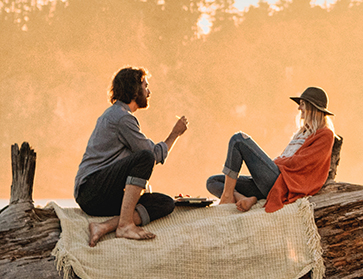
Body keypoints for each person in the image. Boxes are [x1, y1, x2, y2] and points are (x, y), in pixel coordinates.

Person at [74, 66, 189, 245]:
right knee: (145, 157)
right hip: (91, 190)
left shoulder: (120, 115)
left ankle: (104, 227)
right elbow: (152, 155)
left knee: (165, 203)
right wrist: (174, 134)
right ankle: (126, 225)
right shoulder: (121, 117)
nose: (149, 92)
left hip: (105, 193)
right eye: (145, 86)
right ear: (135, 91)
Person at [207, 86, 336, 214]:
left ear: (312, 107)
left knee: (239, 139)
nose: (299, 108)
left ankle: (228, 197)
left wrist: (272, 164)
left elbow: (301, 163)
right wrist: (269, 166)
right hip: (274, 178)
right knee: (213, 181)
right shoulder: (302, 132)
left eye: (302, 104)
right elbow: (287, 157)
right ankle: (244, 198)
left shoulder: (325, 134)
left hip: (283, 181)